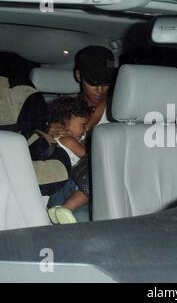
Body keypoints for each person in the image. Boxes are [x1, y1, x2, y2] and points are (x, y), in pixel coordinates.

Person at [44, 46, 116, 223]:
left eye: (106, 83)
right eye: (94, 82)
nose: (100, 90)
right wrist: (47, 135)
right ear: (78, 76)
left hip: (104, 189)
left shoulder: (121, 113)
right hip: (67, 186)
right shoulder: (63, 113)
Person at [36, 96, 92, 224]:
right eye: (83, 125)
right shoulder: (68, 140)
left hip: (55, 194)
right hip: (66, 187)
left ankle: (57, 211)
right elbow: (89, 157)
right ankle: (66, 208)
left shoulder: (57, 140)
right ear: (66, 122)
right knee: (90, 184)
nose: (86, 129)